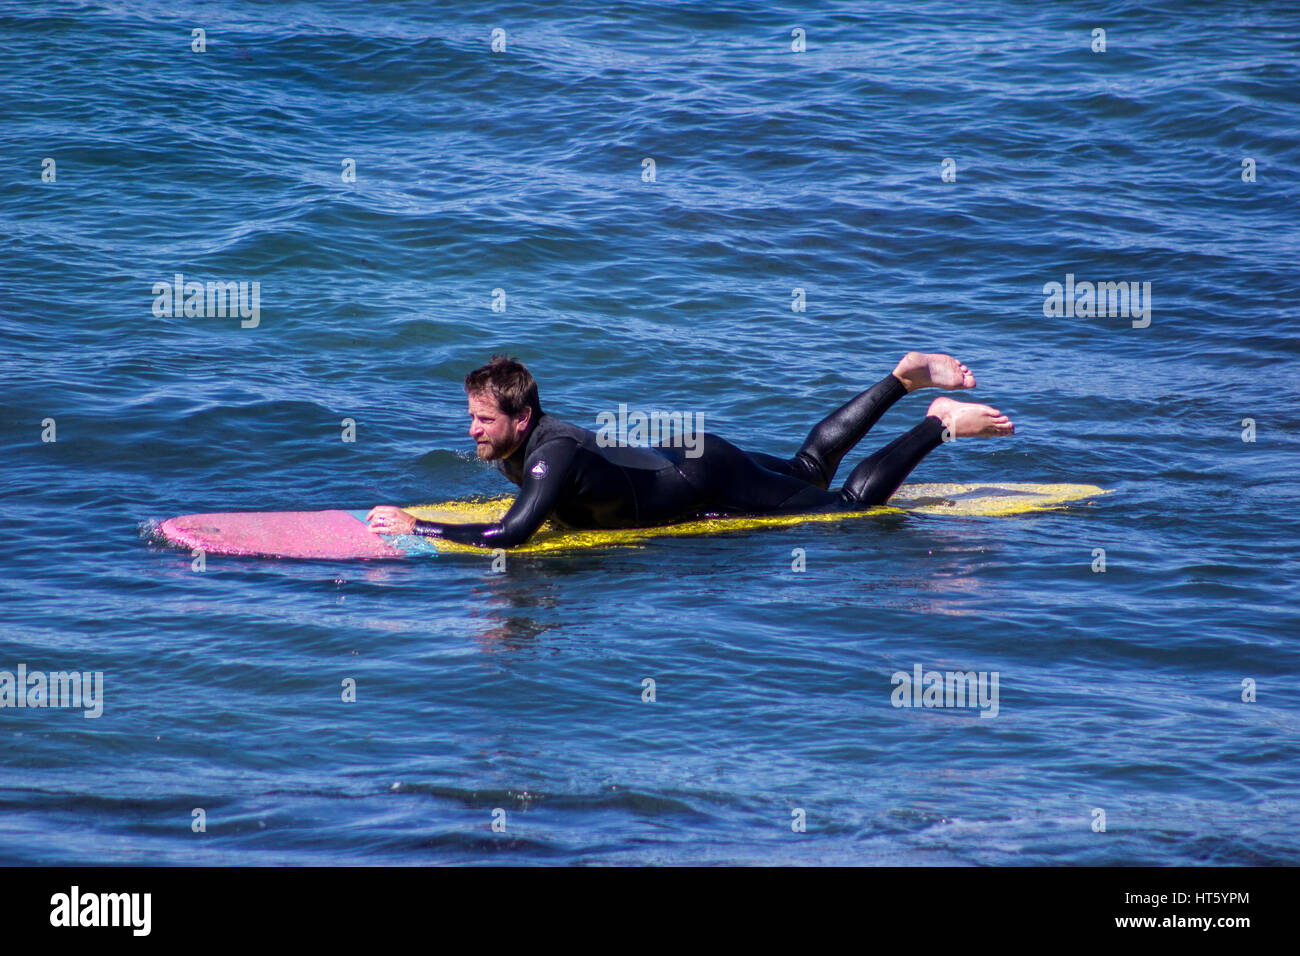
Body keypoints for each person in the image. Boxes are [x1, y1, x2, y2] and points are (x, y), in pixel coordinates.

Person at [366, 353, 1014, 548]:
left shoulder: (548, 453)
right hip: (686, 457)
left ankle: (939, 423)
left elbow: (512, 534)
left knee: (844, 507)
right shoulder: (534, 442)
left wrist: (416, 525)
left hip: (701, 478)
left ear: (522, 417)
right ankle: (903, 379)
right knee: (807, 468)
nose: (472, 430)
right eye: (471, 417)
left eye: (482, 419)